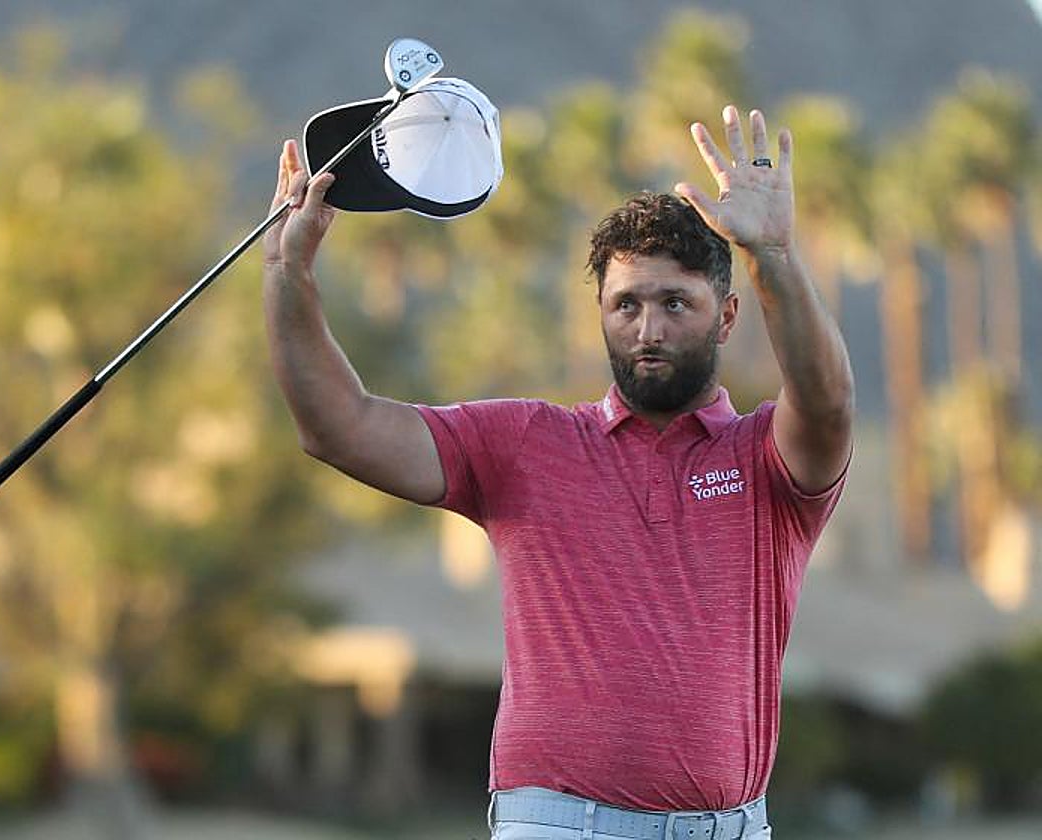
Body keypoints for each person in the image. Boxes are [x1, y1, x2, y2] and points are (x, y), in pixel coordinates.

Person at [261, 105, 853, 839]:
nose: (649, 329)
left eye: (677, 303)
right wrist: (287, 272)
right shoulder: (524, 442)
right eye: (625, 305)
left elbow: (827, 403)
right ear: (600, 314)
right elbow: (339, 427)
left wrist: (776, 260)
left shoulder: (767, 458)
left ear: (728, 316)